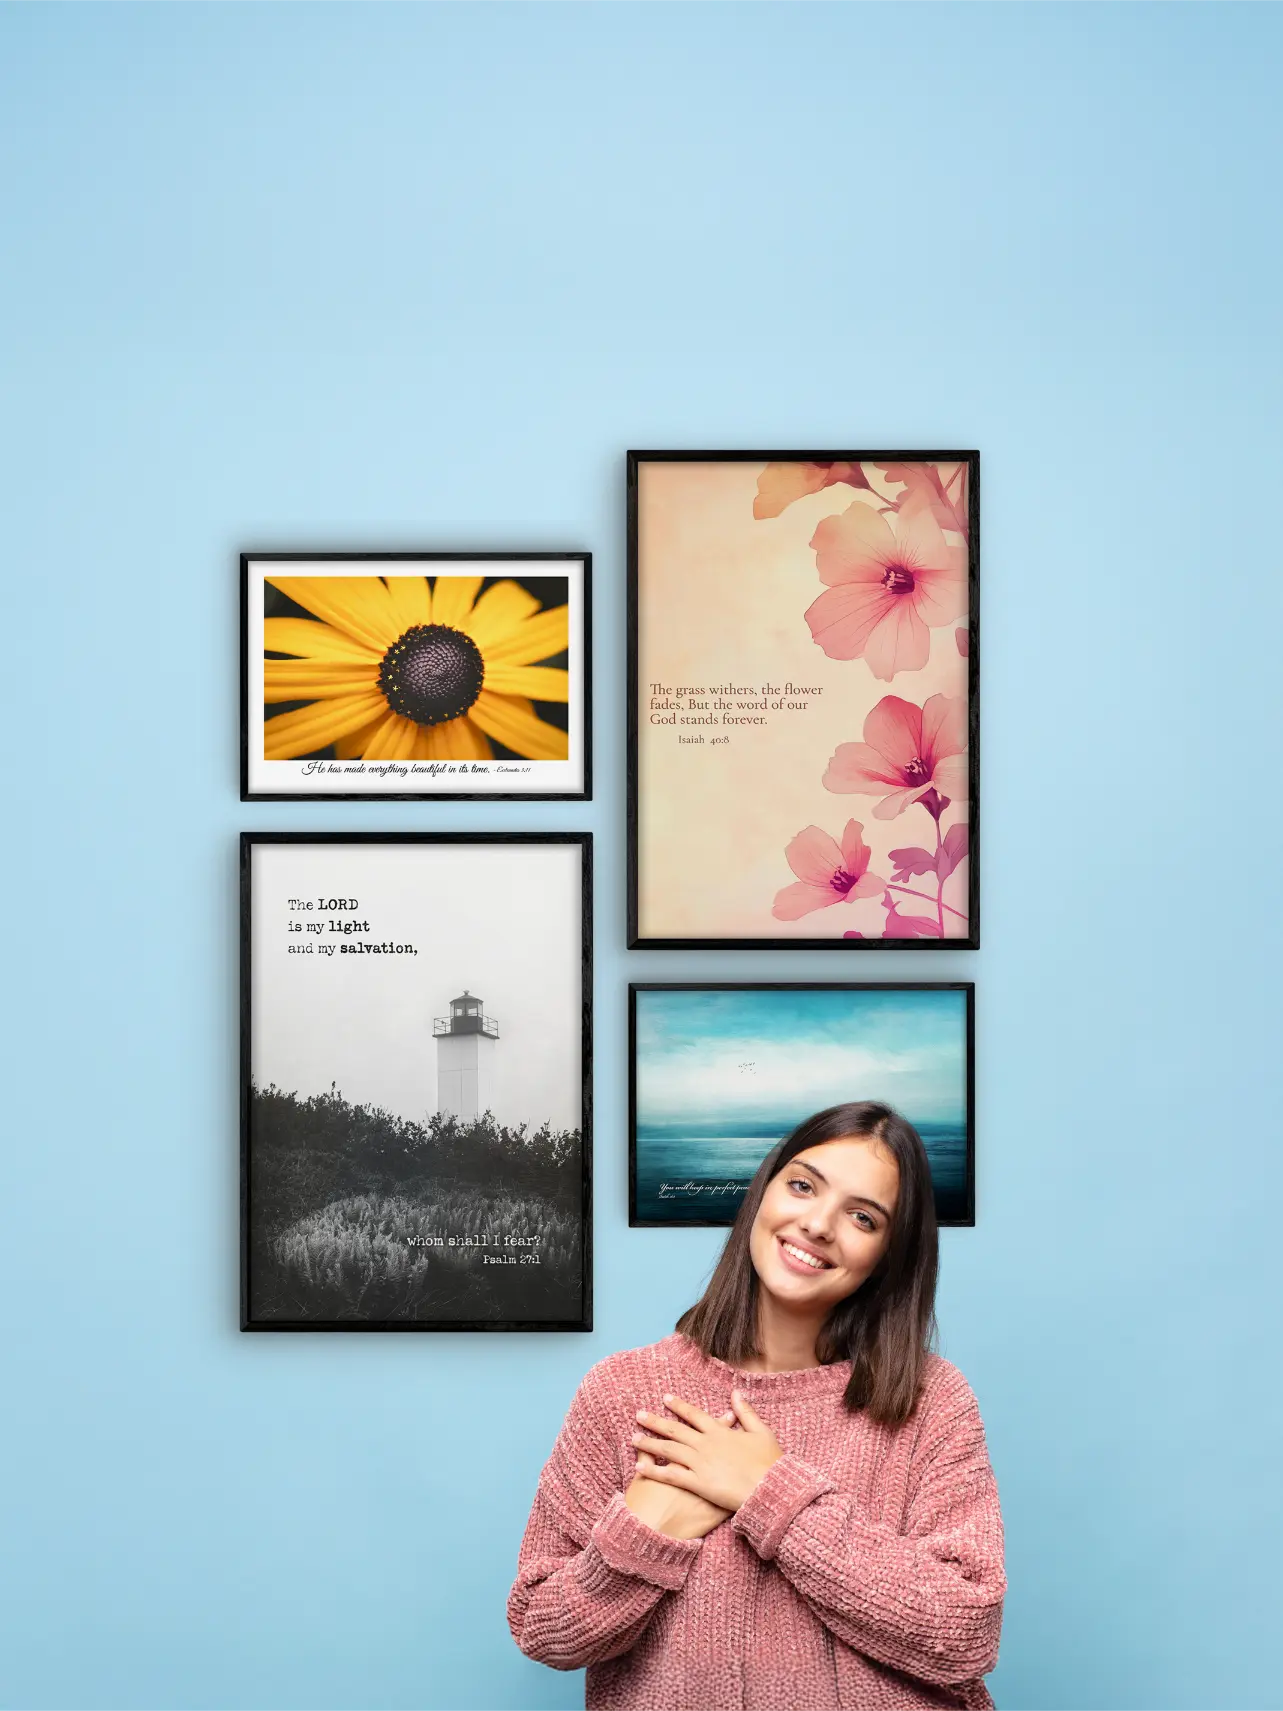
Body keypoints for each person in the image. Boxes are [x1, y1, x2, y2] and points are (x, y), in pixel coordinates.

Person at [507, 1100, 1005, 1709]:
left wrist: (773, 1495)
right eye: (802, 1186)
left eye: (863, 1218)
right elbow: (542, 1627)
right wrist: (646, 1533)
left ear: (888, 1257)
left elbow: (966, 1633)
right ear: (763, 1193)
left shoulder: (931, 1401)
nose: (819, 1224)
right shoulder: (624, 1392)